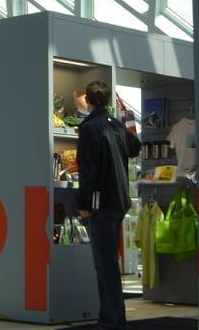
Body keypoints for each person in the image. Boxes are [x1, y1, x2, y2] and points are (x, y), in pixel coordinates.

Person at [76, 81, 141, 330]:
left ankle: (111, 320)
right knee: (109, 261)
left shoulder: (89, 128)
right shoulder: (115, 125)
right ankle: (113, 318)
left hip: (100, 203)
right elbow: (135, 147)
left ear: (88, 100)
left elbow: (88, 170)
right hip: (119, 200)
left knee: (105, 264)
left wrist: (83, 203)